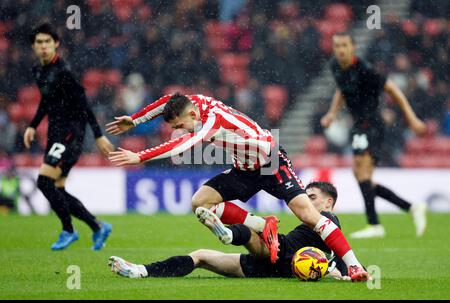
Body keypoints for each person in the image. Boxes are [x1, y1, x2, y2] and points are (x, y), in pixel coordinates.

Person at [107, 93, 368, 281]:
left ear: (192, 116)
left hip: (270, 163)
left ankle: (355, 266)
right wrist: (135, 119)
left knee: (309, 215)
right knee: (200, 202)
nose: (178, 130)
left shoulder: (210, 121)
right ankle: (261, 225)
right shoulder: (191, 103)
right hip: (244, 169)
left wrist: (140, 156)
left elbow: (181, 146)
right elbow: (166, 102)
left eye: (179, 126)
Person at [108, 181, 350, 281]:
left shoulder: (328, 219)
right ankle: (140, 270)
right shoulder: (322, 226)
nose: (307, 203)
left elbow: (338, 250)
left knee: (254, 231)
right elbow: (338, 256)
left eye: (313, 198)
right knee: (201, 255)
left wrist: (342, 268)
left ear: (328, 203)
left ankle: (229, 234)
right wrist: (339, 270)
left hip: (281, 252)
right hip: (272, 268)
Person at [321, 32, 428, 239]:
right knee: (363, 177)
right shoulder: (335, 66)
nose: (340, 50)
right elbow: (341, 90)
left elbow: (393, 90)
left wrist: (412, 119)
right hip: (359, 125)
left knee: (361, 173)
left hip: (372, 125)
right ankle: (411, 207)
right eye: (337, 46)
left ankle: (375, 224)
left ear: (352, 47)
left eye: (344, 45)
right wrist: (332, 113)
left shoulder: (364, 69)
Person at [24, 23, 114, 250]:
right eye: (39, 42)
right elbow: (46, 100)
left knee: (44, 182)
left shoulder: (64, 71)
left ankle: (68, 230)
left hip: (70, 133)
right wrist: (33, 125)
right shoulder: (38, 70)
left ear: (55, 44)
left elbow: (84, 103)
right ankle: (97, 226)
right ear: (34, 46)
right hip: (55, 133)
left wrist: (98, 135)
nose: (43, 46)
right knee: (58, 189)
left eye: (47, 42)